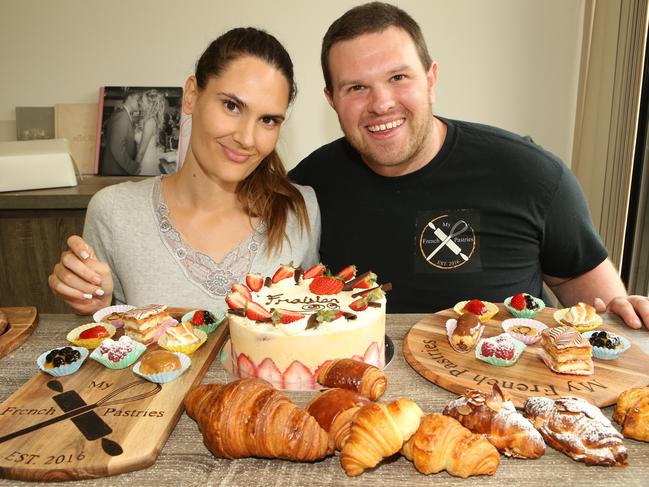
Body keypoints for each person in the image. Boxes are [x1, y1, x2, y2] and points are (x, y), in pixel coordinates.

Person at [289, 1, 649, 329]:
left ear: (431, 80)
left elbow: (596, 306)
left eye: (398, 78)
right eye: (356, 88)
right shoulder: (307, 188)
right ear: (332, 100)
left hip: (502, 393)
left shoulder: (532, 176)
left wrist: (623, 313)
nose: (381, 103)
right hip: (358, 393)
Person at [49, 27, 320, 314]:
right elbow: (105, 341)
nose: (247, 138)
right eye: (231, 106)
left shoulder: (300, 211)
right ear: (191, 95)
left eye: (268, 120)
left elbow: (314, 335)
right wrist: (95, 308)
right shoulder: (115, 211)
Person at [101, 90, 141, 175]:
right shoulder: (122, 116)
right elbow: (117, 147)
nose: (140, 103)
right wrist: (132, 167)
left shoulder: (123, 114)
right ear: (130, 98)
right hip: (117, 169)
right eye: (138, 100)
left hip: (119, 167)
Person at [136, 89, 168, 175]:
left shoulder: (149, 122)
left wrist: (133, 169)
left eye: (142, 101)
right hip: (148, 158)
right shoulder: (150, 120)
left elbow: (142, 151)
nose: (140, 103)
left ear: (150, 104)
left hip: (145, 161)